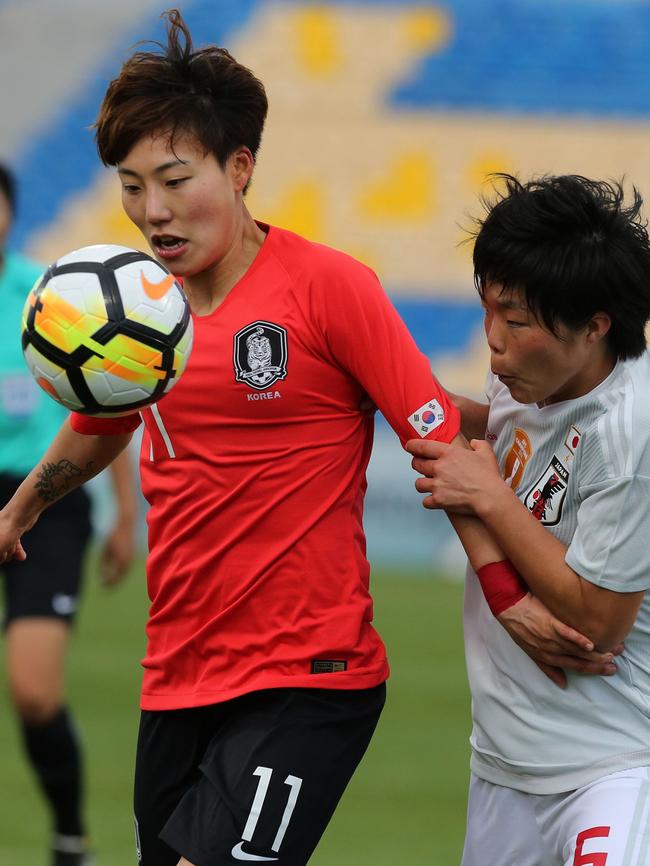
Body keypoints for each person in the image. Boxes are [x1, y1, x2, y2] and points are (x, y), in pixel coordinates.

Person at [0, 16, 612, 866]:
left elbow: (435, 442)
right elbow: (103, 417)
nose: (153, 211)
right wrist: (21, 510)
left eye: (174, 180)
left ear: (240, 167)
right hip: (177, 676)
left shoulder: (329, 289)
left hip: (308, 680)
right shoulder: (139, 304)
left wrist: (509, 596)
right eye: (132, 185)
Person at [407, 174, 650, 866]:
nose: (493, 343)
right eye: (487, 311)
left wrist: (488, 497)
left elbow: (597, 622)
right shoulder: (533, 377)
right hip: (503, 768)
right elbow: (508, 439)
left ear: (596, 324)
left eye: (515, 321)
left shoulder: (633, 433)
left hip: (613, 766)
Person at [0, 162, 138, 866]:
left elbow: (105, 403)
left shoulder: (49, 297)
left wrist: (123, 515)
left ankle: (68, 836)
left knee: (33, 692)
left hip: (45, 502)